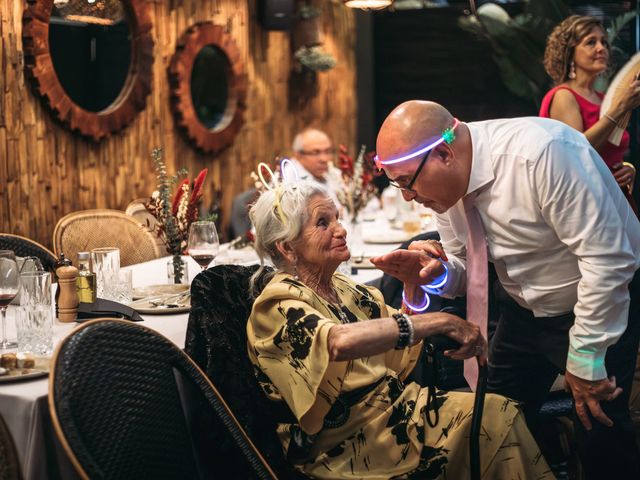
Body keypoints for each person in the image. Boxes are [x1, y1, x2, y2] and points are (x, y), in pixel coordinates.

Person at [370, 100, 640, 480]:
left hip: (594, 301)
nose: (407, 197)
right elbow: (468, 272)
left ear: (444, 153)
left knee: (599, 435)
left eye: (406, 183)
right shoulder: (445, 191)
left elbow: (609, 261)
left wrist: (584, 356)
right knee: (492, 416)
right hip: (519, 309)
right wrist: (434, 274)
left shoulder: (543, 153)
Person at [246, 181, 553, 479]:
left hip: (395, 414)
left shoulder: (344, 288)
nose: (341, 229)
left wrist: (412, 283)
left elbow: (396, 336)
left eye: (337, 218)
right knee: (495, 420)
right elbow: (337, 342)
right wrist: (439, 321)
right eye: (323, 223)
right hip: (349, 443)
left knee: (500, 413)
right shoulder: (277, 302)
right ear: (287, 247)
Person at [540, 14, 640, 216]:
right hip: (587, 205)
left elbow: (612, 153)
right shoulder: (563, 96)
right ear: (570, 53)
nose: (601, 48)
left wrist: (629, 170)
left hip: (617, 199)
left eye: (603, 42)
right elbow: (576, 151)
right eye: (590, 42)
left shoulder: (604, 99)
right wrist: (620, 108)